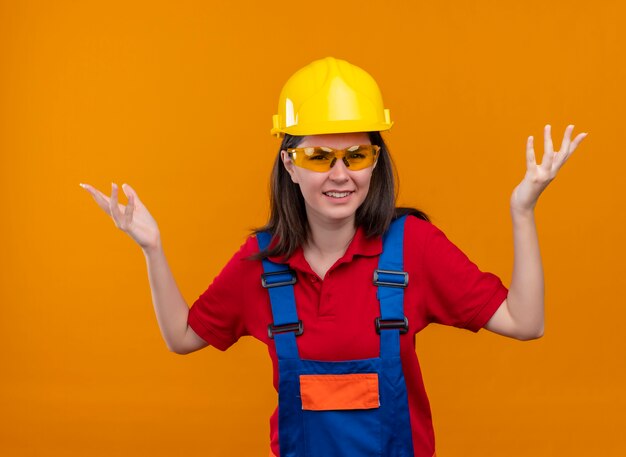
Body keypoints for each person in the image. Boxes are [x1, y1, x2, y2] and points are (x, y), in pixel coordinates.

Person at [80, 56, 587, 457]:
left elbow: (526, 321)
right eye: (319, 157)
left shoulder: (414, 247)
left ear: (375, 162)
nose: (340, 174)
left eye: (358, 155)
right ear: (289, 165)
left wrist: (522, 211)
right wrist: (152, 247)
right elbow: (182, 337)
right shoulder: (263, 263)